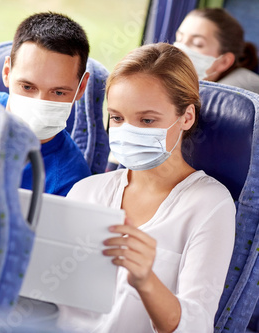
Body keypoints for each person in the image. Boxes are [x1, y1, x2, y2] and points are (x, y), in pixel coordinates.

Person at [57, 43, 235, 332]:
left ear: (186, 117)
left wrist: (145, 280)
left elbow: (197, 325)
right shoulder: (85, 192)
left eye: (147, 120)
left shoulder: (208, 204)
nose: (128, 131)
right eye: (117, 117)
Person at [0, 12, 92, 196]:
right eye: (27, 87)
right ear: (7, 72)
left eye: (58, 92)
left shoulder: (71, 182)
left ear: (81, 88)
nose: (40, 103)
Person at [175, 8, 259, 94]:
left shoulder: (230, 98)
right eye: (179, 39)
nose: (179, 49)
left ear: (224, 62)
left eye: (198, 44)